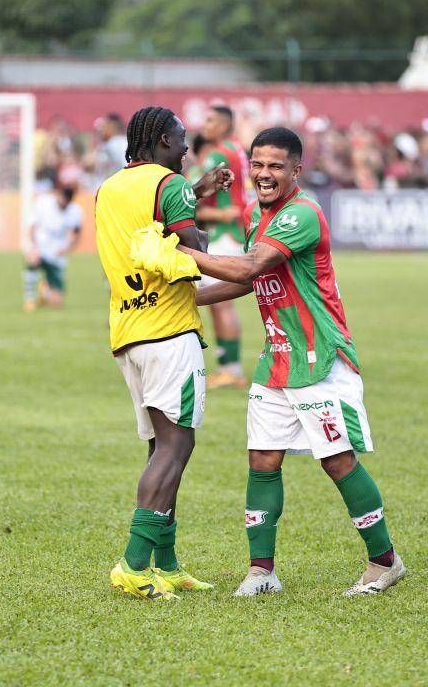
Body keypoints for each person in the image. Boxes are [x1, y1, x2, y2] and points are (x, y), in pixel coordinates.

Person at [171, 126, 406, 597]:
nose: (263, 174)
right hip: (277, 357)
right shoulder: (258, 216)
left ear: (296, 170)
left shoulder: (301, 214)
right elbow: (247, 280)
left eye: (275, 166)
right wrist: (191, 302)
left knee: (337, 461)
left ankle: (385, 562)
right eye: (257, 165)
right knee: (262, 458)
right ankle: (262, 572)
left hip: (320, 358)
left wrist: (177, 254)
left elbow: (250, 267)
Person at [96, 105, 232, 601]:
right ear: (159, 144)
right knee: (177, 448)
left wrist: (194, 189)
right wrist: (200, 219)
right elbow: (194, 247)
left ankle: (167, 563)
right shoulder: (170, 186)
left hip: (129, 332)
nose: (186, 149)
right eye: (179, 141)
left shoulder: (109, 188)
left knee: (160, 446)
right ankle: (134, 565)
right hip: (171, 331)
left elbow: (145, 220)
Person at [194, 105, 252, 388]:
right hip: (233, 233)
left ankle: (231, 369)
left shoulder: (218, 154)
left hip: (224, 234)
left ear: (225, 124)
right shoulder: (237, 149)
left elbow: (198, 193)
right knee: (221, 304)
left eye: (210, 119)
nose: (205, 124)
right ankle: (229, 367)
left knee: (221, 303)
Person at [23, 185, 83, 311]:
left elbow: (75, 234)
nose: (63, 204)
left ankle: (45, 289)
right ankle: (29, 299)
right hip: (40, 247)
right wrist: (34, 247)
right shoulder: (43, 203)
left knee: (57, 303)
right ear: (58, 195)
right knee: (32, 259)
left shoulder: (75, 211)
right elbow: (32, 227)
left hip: (57, 253)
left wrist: (66, 249)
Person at [93, 113, 128, 184]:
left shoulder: (118, 143)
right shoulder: (108, 144)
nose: (101, 130)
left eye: (104, 126)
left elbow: (127, 165)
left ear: (112, 126)